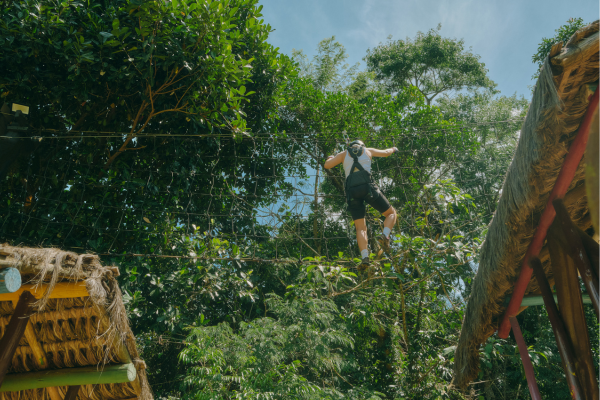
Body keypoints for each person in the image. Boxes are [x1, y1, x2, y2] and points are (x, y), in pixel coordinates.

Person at [324, 140, 398, 267]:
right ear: (361, 145)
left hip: (352, 192)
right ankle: (385, 235)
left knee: (360, 227)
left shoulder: (343, 154)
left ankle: (365, 257)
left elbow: (327, 165)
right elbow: (386, 153)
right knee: (391, 213)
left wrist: (330, 157)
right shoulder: (368, 150)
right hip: (368, 188)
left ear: (350, 146)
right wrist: (393, 148)